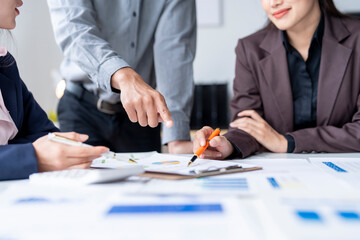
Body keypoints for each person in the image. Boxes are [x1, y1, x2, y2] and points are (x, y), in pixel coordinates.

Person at [193, 0, 360, 159]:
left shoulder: (357, 39)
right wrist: (227, 144)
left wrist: (287, 142)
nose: (273, 3)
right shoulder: (250, 49)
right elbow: (247, 125)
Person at [47, 0, 196, 154]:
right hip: (82, 108)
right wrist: (125, 77)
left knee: (148, 177)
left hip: (142, 117)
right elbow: (74, 29)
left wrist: (176, 137)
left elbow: (174, 54)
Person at [0, 0, 109, 181]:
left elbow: (42, 133)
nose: (21, 0)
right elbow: (36, 145)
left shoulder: (5, 65)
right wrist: (32, 156)